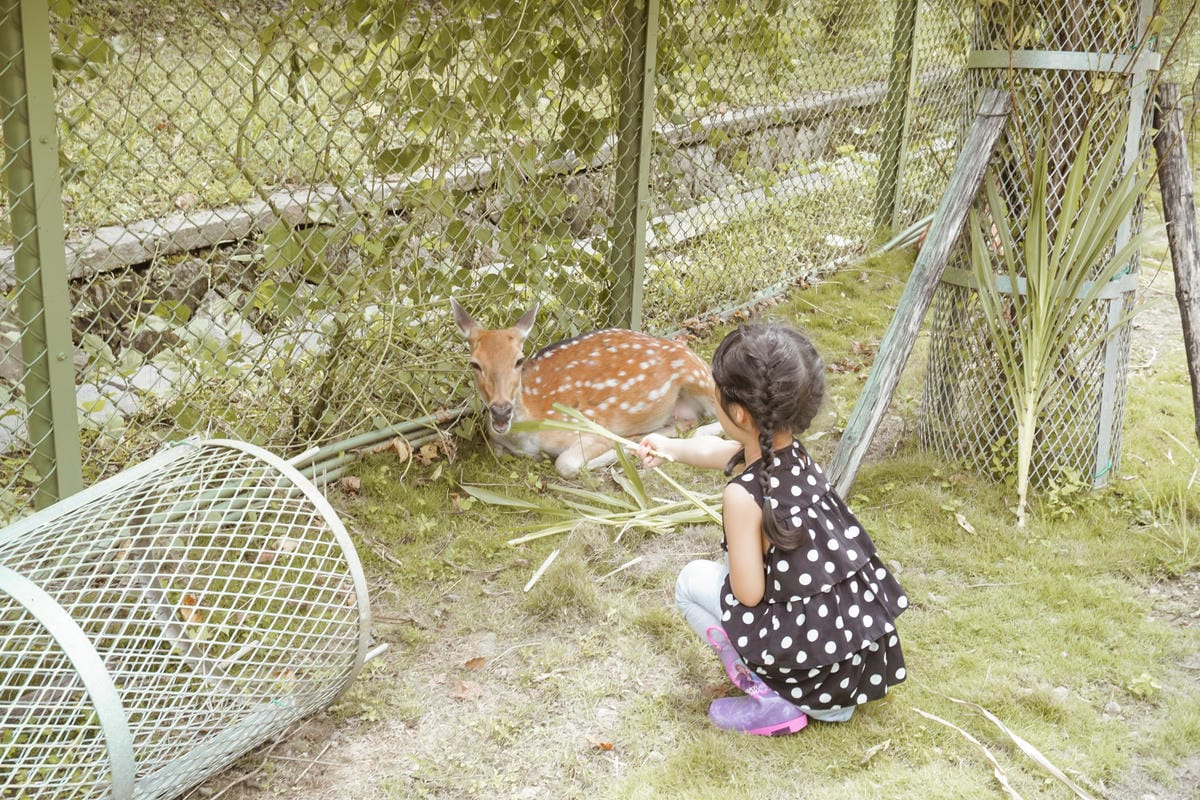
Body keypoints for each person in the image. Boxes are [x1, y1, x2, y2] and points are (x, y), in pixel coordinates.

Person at [636, 322, 908, 736]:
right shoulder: (794, 456)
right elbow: (725, 453)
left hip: (808, 685)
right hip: (847, 683)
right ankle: (800, 688)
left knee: (693, 582)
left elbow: (748, 595)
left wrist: (736, 554)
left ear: (739, 412)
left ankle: (770, 695)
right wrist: (669, 447)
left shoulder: (744, 497)